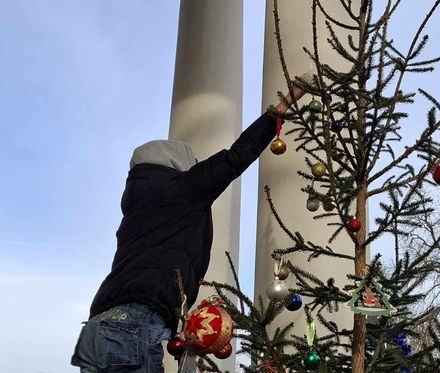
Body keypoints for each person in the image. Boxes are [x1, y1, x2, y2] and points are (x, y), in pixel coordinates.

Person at [71, 75, 309, 372]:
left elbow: (154, 266)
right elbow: (237, 156)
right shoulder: (183, 189)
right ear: (179, 163)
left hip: (96, 329)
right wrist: (284, 105)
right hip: (133, 326)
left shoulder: (135, 207)